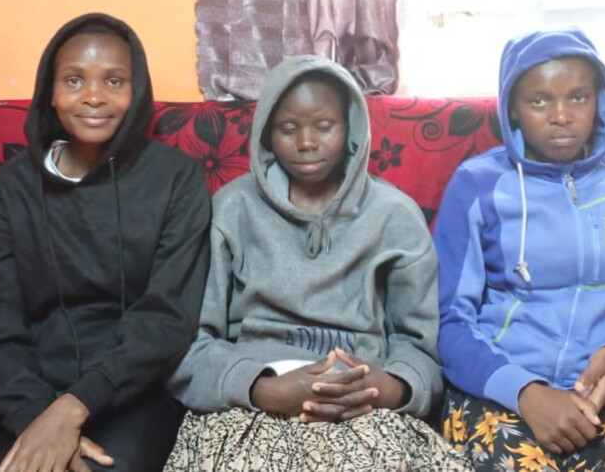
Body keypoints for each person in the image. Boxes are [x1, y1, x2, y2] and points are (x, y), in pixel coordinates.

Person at [164, 55, 470, 472]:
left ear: (350, 129)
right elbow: (190, 343)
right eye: (289, 128)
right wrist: (261, 389)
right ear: (267, 133)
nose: (306, 142)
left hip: (362, 402)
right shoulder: (232, 208)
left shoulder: (395, 216)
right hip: (253, 400)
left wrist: (392, 387)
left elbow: (420, 346)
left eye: (324, 126)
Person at [433, 28, 605, 470]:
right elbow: (448, 319)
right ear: (512, 108)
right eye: (539, 100)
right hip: (499, 393)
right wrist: (525, 391)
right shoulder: (477, 184)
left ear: (599, 101)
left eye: (578, 97)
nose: (561, 116)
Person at [0, 12, 212, 472]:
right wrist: (38, 418)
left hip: (134, 391)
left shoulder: (176, 179)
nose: (94, 96)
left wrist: (72, 409)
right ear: (50, 93)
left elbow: (168, 316)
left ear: (136, 91)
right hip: (28, 391)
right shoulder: (12, 187)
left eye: (114, 81)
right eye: (74, 80)